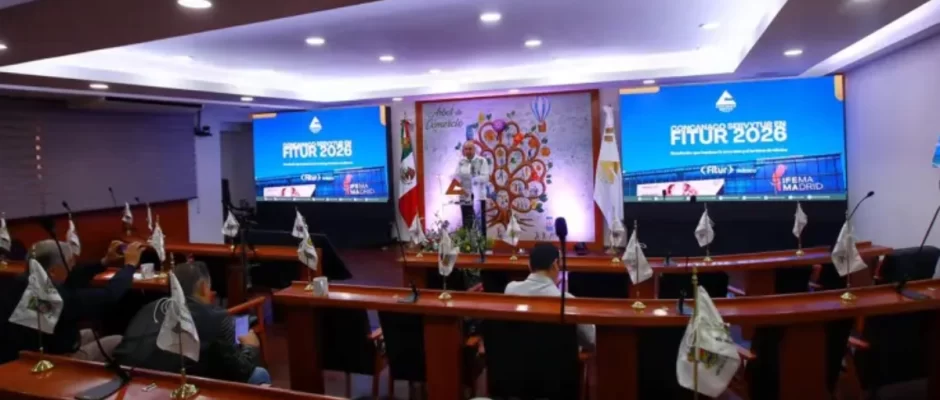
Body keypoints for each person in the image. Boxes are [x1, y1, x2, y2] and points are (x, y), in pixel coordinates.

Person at [113, 261, 270, 385]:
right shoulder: (217, 318)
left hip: (127, 379)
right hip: (175, 385)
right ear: (203, 287)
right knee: (260, 374)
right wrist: (250, 348)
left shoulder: (148, 308)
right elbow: (240, 370)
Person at [0, 240, 140, 364]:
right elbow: (109, 296)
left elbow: (70, 278)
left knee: (91, 333)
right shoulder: (56, 298)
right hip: (52, 361)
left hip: (29, 350)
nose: (72, 266)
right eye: (69, 263)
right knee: (118, 340)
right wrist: (130, 266)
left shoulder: (20, 282)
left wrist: (104, 262)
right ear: (53, 271)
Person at [504, 243, 596, 350]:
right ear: (555, 264)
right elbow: (591, 339)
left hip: (518, 357)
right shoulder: (567, 301)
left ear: (529, 265)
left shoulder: (511, 290)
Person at [454, 141, 490, 236]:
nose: (468, 151)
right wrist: (458, 179)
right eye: (466, 149)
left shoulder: (482, 161)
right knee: (466, 220)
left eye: (470, 149)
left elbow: (485, 178)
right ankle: (467, 242)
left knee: (479, 221)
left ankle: (481, 242)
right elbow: (457, 176)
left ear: (474, 149)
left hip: (479, 196)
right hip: (465, 195)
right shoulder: (461, 162)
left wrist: (472, 179)